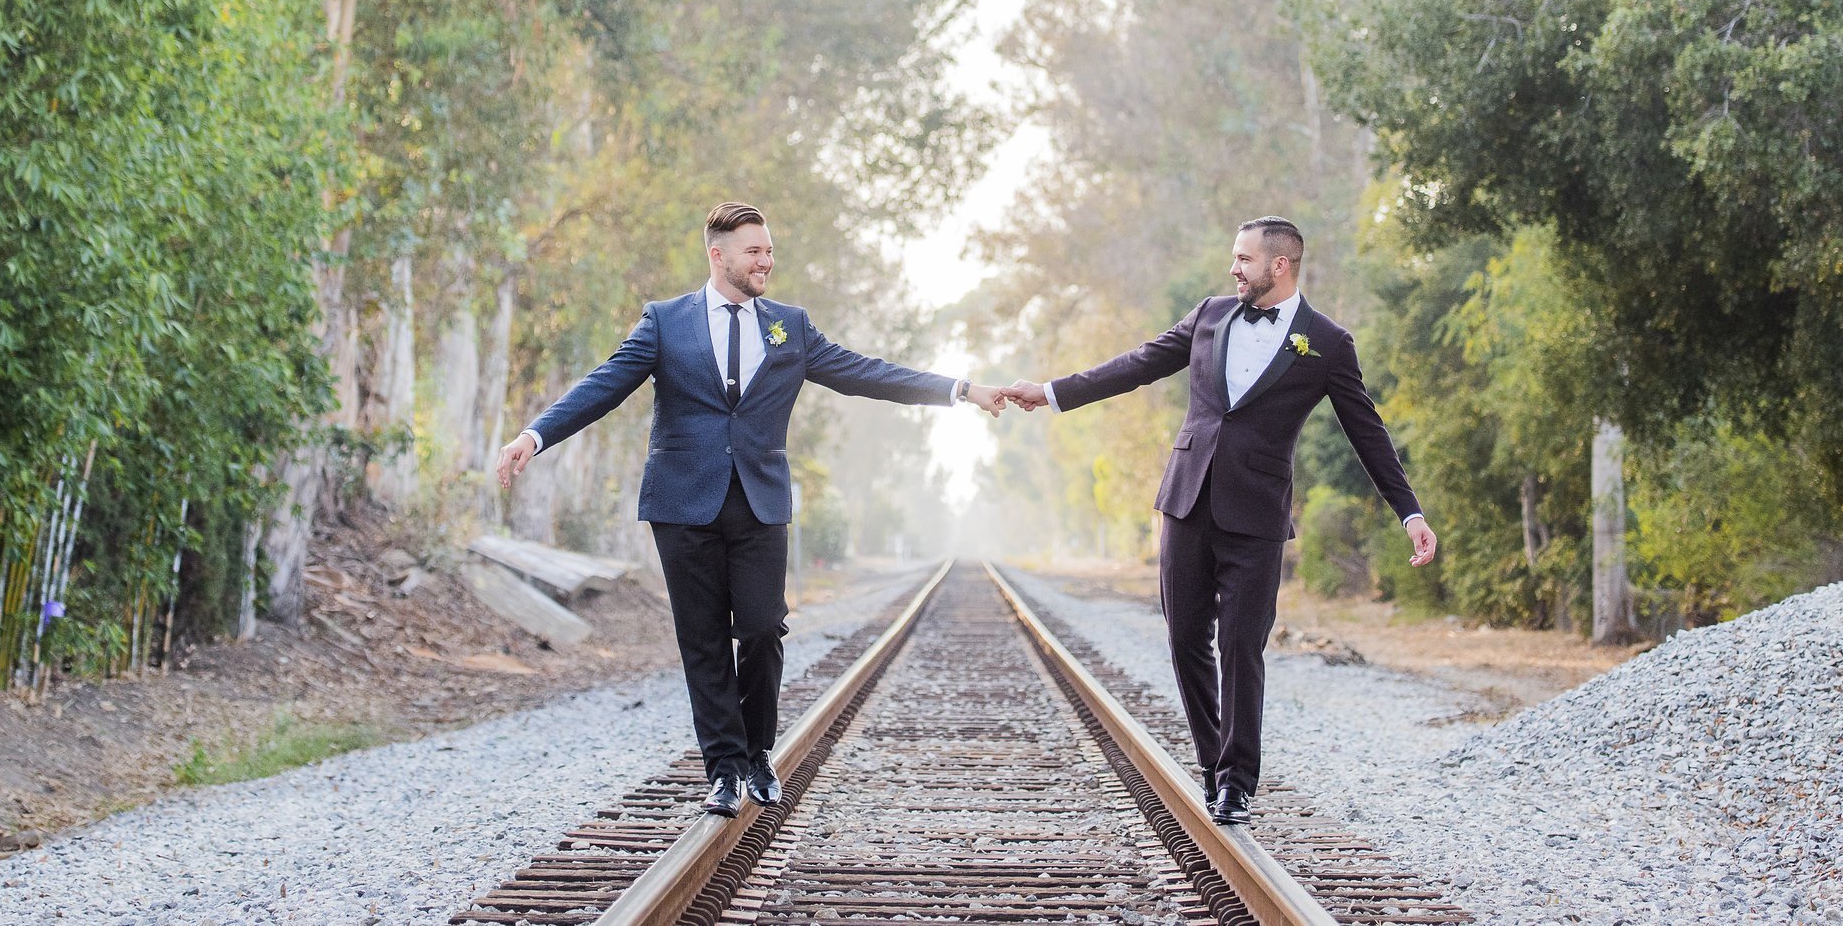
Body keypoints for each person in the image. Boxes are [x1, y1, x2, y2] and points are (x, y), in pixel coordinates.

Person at [496, 200, 1008, 817]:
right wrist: (535, 435)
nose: (767, 259)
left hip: (760, 502)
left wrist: (960, 390)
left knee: (762, 628)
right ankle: (723, 770)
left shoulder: (789, 326)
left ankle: (758, 753)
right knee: (703, 639)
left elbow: (865, 372)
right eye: (754, 251)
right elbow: (603, 385)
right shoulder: (665, 321)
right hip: (683, 503)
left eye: (768, 249)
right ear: (719, 256)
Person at [1005, 216, 1435, 826]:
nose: (1234, 269)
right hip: (1186, 502)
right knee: (1185, 641)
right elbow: (1138, 364)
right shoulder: (1210, 314)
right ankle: (1213, 761)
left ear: (1279, 265)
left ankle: (1237, 781)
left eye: (1244, 259)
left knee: (1241, 645)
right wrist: (1050, 392)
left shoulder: (1327, 343)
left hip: (1258, 515)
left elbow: (1367, 431)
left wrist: (1409, 512)